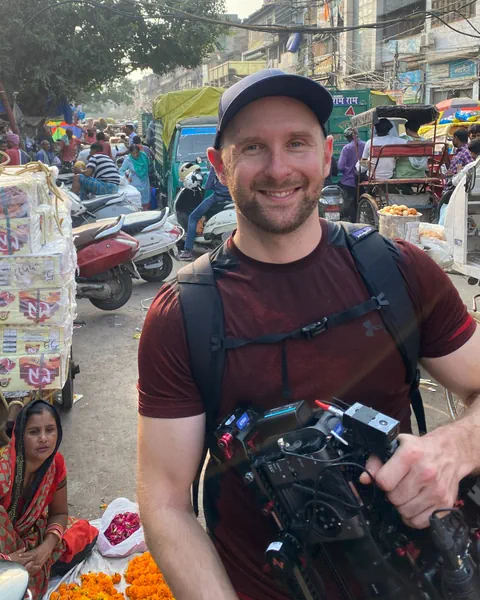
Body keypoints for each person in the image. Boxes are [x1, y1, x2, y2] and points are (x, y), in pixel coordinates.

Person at [137, 69, 479, 600]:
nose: (278, 169)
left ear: (325, 156)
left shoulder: (399, 270)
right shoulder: (182, 315)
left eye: (296, 143)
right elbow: (164, 500)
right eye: (253, 147)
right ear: (218, 165)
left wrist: (456, 445)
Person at [0, 401, 98, 600]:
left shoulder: (55, 466)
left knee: (84, 534)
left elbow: (59, 513)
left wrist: (45, 549)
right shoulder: (3, 470)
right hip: (4, 547)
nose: (43, 439)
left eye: (50, 430)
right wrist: (7, 560)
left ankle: (31, 567)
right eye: (34, 432)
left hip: (30, 537)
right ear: (20, 435)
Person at [179, 165, 232, 260]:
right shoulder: (236, 161)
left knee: (193, 217)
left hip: (217, 197)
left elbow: (208, 186)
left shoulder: (216, 164)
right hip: (233, 198)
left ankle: (187, 251)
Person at [338, 127, 365, 221]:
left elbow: (340, 166)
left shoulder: (347, 148)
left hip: (348, 182)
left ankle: (352, 222)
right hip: (363, 181)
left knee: (349, 206)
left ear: (347, 137)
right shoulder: (366, 145)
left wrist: (348, 169)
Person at [119, 144, 151, 209]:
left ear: (139, 151)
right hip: (135, 185)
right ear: (130, 153)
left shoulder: (143, 157)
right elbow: (121, 170)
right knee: (137, 204)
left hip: (145, 183)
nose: (135, 155)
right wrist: (127, 178)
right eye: (133, 153)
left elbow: (149, 163)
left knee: (146, 202)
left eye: (137, 152)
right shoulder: (128, 160)